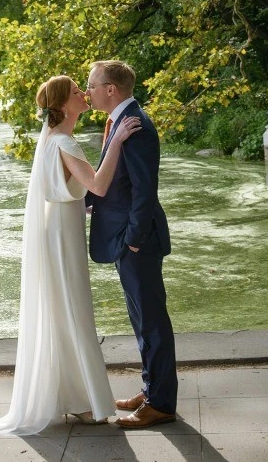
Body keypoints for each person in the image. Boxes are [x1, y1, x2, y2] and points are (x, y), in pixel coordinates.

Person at [0, 75, 141, 437]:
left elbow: (68, 191)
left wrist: (85, 204)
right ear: (63, 104)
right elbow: (98, 185)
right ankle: (84, 402)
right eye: (75, 92)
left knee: (64, 308)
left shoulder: (53, 140)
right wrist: (116, 141)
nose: (83, 94)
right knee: (73, 307)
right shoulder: (65, 141)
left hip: (58, 230)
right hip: (61, 238)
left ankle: (77, 399)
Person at [85, 60, 177, 429]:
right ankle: (151, 388)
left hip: (137, 241)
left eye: (91, 85)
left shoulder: (135, 126)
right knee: (141, 319)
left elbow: (144, 188)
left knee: (152, 321)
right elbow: (119, 183)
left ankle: (162, 404)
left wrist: (135, 241)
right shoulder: (121, 122)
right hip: (128, 238)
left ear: (111, 89)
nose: (87, 91)